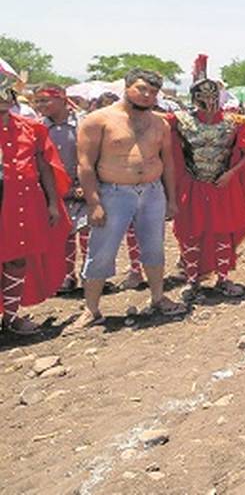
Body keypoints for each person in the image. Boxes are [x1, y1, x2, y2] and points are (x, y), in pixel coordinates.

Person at [75, 68, 185, 326]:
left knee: (154, 247)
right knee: (102, 250)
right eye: (142, 89)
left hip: (152, 192)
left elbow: (167, 163)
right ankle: (91, 309)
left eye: (153, 92)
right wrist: (94, 203)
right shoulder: (98, 120)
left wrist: (171, 199)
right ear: (126, 87)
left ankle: (158, 298)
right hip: (114, 192)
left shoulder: (160, 123)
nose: (147, 96)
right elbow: (85, 165)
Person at [169, 55, 245, 300]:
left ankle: (224, 278)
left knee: (222, 232)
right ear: (194, 98)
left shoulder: (235, 123)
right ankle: (192, 278)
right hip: (193, 185)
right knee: (191, 232)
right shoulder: (179, 122)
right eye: (203, 97)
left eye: (212, 96)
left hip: (222, 186)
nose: (208, 101)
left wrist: (231, 174)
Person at [0, 59, 70, 334]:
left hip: (24, 203)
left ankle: (11, 318)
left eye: (7, 95)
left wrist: (53, 203)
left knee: (17, 258)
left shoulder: (32, 128)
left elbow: (45, 167)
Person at [33, 83, 87, 293]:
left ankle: (89, 274)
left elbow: (89, 157)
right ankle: (66, 276)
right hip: (53, 192)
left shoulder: (83, 123)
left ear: (62, 98)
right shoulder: (37, 128)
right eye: (37, 101)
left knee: (87, 232)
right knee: (62, 235)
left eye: (45, 100)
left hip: (83, 188)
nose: (40, 105)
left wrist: (84, 184)